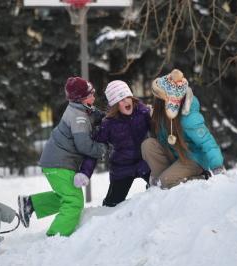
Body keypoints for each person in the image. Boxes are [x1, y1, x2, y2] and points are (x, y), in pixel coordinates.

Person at [17, 77, 107, 237]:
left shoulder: (79, 109)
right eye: (90, 95)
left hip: (56, 162)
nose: (94, 97)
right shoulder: (78, 116)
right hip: (59, 164)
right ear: (80, 99)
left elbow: (93, 115)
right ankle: (55, 238)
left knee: (67, 196)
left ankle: (31, 204)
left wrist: (103, 117)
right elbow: (84, 146)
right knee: (74, 202)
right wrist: (103, 149)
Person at [141, 69, 225, 189]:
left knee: (166, 181)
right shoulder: (164, 115)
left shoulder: (189, 118)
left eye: (157, 98)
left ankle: (200, 178)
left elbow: (207, 142)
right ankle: (159, 182)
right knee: (148, 145)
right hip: (177, 156)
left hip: (193, 159)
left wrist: (217, 166)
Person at [73, 80, 151, 207]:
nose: (126, 101)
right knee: (111, 205)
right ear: (114, 104)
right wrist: (85, 172)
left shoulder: (143, 112)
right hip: (122, 168)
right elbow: (95, 149)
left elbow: (159, 131)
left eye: (127, 97)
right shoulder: (108, 124)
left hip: (145, 162)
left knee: (159, 189)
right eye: (121, 100)